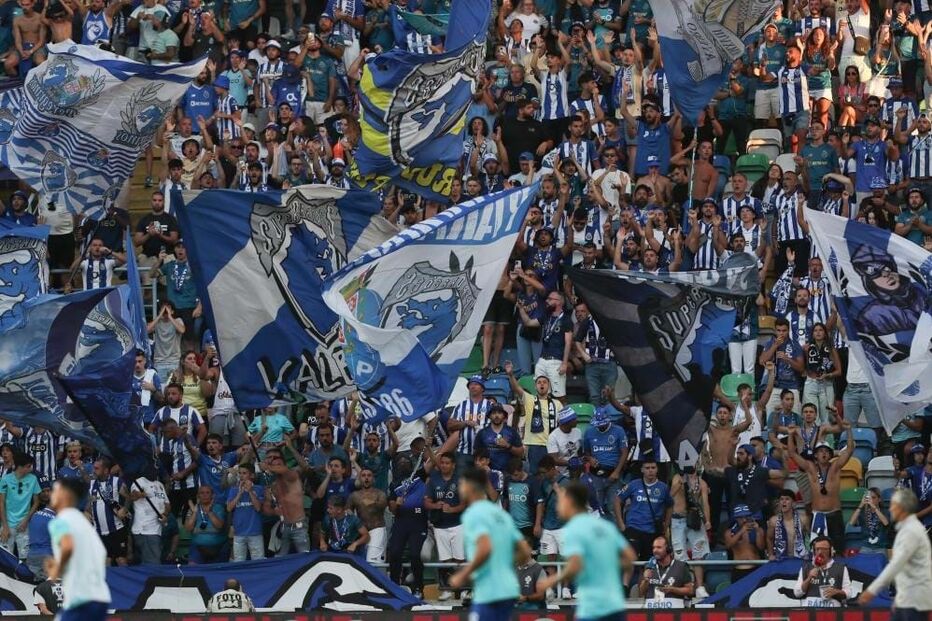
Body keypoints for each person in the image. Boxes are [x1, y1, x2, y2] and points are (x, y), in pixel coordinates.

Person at [537, 480, 636, 621]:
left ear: (570, 502)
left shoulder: (574, 529)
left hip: (593, 606)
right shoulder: (605, 526)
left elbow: (574, 565)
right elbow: (630, 557)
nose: (557, 507)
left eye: (560, 501)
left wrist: (552, 580)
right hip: (614, 603)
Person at [448, 467, 531, 621]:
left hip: (489, 591)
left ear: (469, 486)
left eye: (461, 484)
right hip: (509, 589)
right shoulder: (500, 514)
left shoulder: (473, 514)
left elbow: (485, 547)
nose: (460, 488)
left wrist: (463, 575)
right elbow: (525, 551)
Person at [859, 489, 932, 620]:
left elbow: (896, 565)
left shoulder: (912, 532)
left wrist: (871, 591)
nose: (891, 509)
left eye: (894, 505)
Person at [46, 478, 111, 621]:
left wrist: (57, 568)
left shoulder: (60, 521)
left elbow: (67, 546)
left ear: (66, 495)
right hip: (100, 598)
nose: (51, 494)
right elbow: (102, 553)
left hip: (80, 599)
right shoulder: (85, 523)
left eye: (55, 490)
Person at [787, 420, 854, 553]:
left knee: (838, 552)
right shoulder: (810, 468)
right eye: (820, 451)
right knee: (817, 552)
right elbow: (792, 454)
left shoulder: (835, 466)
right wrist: (790, 435)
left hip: (834, 514)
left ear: (830, 454)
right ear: (815, 455)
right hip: (817, 516)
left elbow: (850, 450)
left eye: (826, 451)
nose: (823, 453)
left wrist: (848, 430)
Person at [614, 458, 672, 560]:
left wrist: (666, 525)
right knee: (630, 560)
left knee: (648, 564)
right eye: (647, 468)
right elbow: (617, 500)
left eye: (653, 468)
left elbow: (670, 505)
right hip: (633, 528)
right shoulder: (633, 484)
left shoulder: (663, 488)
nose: (650, 470)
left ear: (657, 469)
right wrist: (621, 524)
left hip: (652, 531)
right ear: (642, 470)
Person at [259, 446, 309, 555]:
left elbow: (284, 470)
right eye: (274, 465)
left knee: (305, 557)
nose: (277, 467)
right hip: (283, 526)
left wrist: (267, 467)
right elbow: (266, 510)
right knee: (279, 559)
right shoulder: (273, 486)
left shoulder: (293, 476)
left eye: (279, 465)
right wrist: (274, 511)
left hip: (299, 526)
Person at [669, 466, 711, 598]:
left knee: (698, 552)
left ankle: (699, 586)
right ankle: (686, 585)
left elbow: (705, 503)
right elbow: (669, 497)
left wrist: (707, 520)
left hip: (694, 519)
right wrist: (679, 485)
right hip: (677, 519)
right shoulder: (677, 478)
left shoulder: (701, 482)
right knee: (679, 554)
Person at [0, 452, 41, 561]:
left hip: (24, 525)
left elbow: (36, 502)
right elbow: (1, 503)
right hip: (7, 524)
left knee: (25, 558)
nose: (31, 469)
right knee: (5, 559)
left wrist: (26, 520)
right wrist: (4, 526)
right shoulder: (5, 479)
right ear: (20, 467)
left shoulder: (33, 479)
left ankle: (23, 578)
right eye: (28, 466)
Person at [792, 536, 851, 607]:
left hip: (832, 613)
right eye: (817, 549)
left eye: (824, 549)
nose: (820, 552)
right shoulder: (806, 567)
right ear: (813, 551)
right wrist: (809, 578)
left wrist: (836, 592)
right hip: (810, 612)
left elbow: (849, 594)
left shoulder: (841, 568)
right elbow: (797, 593)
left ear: (831, 551)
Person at [638, 535, 695, 608]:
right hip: (651, 611)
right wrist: (646, 580)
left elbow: (690, 591)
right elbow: (641, 593)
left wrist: (673, 589)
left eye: (659, 547)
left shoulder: (681, 566)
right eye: (654, 547)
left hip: (674, 612)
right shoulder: (648, 566)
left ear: (668, 549)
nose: (655, 550)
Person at [347, 466, 388, 565]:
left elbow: (382, 505)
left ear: (373, 479)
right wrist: (353, 518)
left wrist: (370, 501)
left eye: (369, 476)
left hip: (377, 529)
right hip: (360, 532)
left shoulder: (380, 494)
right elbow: (348, 509)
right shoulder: (354, 495)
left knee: (374, 563)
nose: (366, 478)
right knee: (360, 563)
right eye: (363, 475)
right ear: (360, 478)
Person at [226, 464, 264, 562]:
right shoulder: (233, 490)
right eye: (239, 473)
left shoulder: (259, 489)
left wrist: (250, 491)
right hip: (239, 533)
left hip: (255, 532)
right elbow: (229, 508)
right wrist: (239, 493)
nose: (241, 476)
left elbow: (258, 508)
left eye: (244, 473)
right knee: (238, 562)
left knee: (258, 562)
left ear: (252, 475)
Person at [768, 489, 811, 560]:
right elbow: (769, 538)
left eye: (787, 499)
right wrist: (770, 554)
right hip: (781, 559)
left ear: (794, 503)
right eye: (781, 499)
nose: (783, 502)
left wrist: (809, 553)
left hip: (800, 557)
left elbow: (809, 538)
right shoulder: (773, 521)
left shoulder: (803, 519)